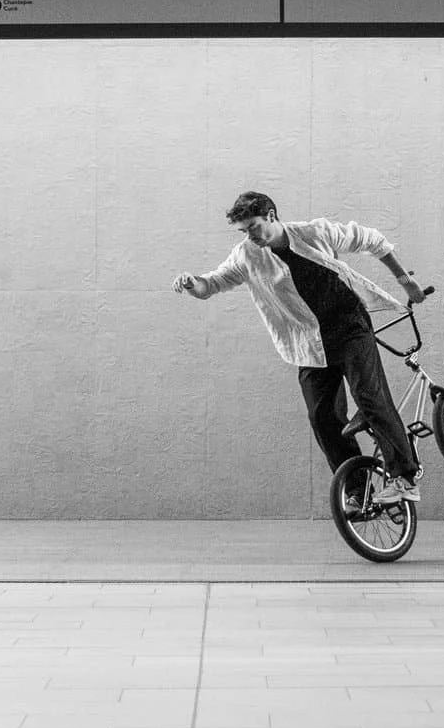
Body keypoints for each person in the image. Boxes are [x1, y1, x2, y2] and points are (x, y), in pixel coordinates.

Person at [173, 191, 427, 501]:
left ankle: (405, 478)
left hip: (350, 328)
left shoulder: (314, 232)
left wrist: (404, 280)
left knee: (369, 395)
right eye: (243, 231)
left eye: (253, 227)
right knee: (322, 416)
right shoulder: (246, 256)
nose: (250, 236)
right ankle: (359, 489)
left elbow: (372, 240)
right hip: (310, 343)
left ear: (271, 215)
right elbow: (212, 283)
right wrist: (191, 283)